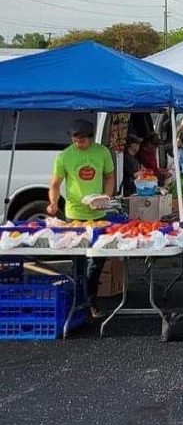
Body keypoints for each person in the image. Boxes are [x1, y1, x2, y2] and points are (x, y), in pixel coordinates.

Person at [47, 119, 114, 319]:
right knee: (78, 260)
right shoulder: (64, 156)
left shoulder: (102, 152)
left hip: (98, 214)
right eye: (75, 141)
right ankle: (80, 302)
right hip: (74, 214)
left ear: (90, 138)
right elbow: (55, 184)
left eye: (82, 141)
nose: (78, 144)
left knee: (97, 260)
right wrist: (52, 203)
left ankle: (90, 299)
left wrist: (106, 196)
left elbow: (109, 176)